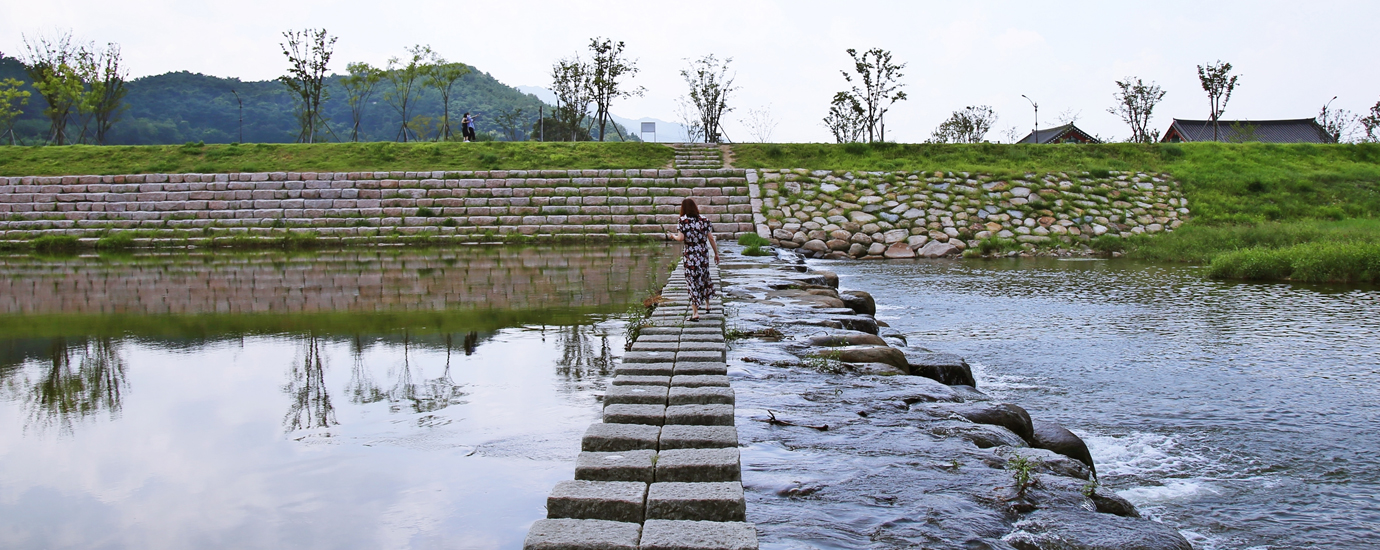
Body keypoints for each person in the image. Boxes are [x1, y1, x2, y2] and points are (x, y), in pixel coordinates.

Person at [665, 198, 720, 321]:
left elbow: (680, 238)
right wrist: (716, 254)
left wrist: (672, 236)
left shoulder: (683, 221)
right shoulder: (704, 220)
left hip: (690, 255)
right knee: (704, 277)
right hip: (703, 253)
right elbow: (711, 238)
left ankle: (695, 313)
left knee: (692, 281)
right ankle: (707, 305)